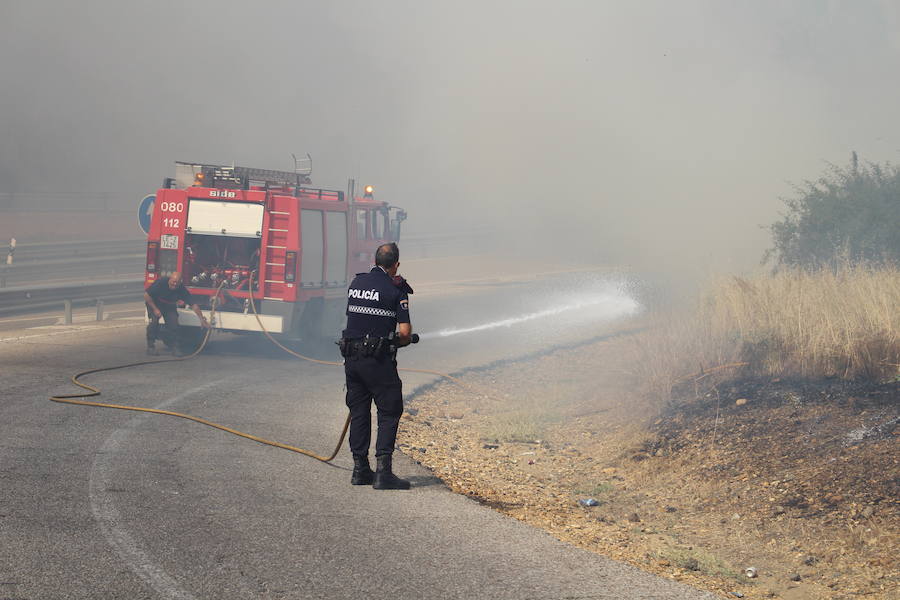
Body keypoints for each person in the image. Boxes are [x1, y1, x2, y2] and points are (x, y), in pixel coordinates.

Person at [340, 242, 414, 490]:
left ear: (375, 261)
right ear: (396, 265)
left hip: (352, 359)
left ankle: (360, 469)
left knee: (359, 412)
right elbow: (404, 332)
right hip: (378, 361)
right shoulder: (396, 289)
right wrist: (400, 341)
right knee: (389, 410)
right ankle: (384, 472)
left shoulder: (356, 283)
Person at [144, 271, 210, 356]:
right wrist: (155, 309)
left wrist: (201, 319)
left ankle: (175, 348)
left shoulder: (181, 289)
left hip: (169, 305)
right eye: (173, 282)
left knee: (174, 324)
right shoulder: (161, 282)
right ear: (170, 279)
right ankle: (150, 347)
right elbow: (146, 296)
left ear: (180, 283)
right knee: (153, 323)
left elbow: (194, 305)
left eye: (177, 283)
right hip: (155, 303)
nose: (174, 285)